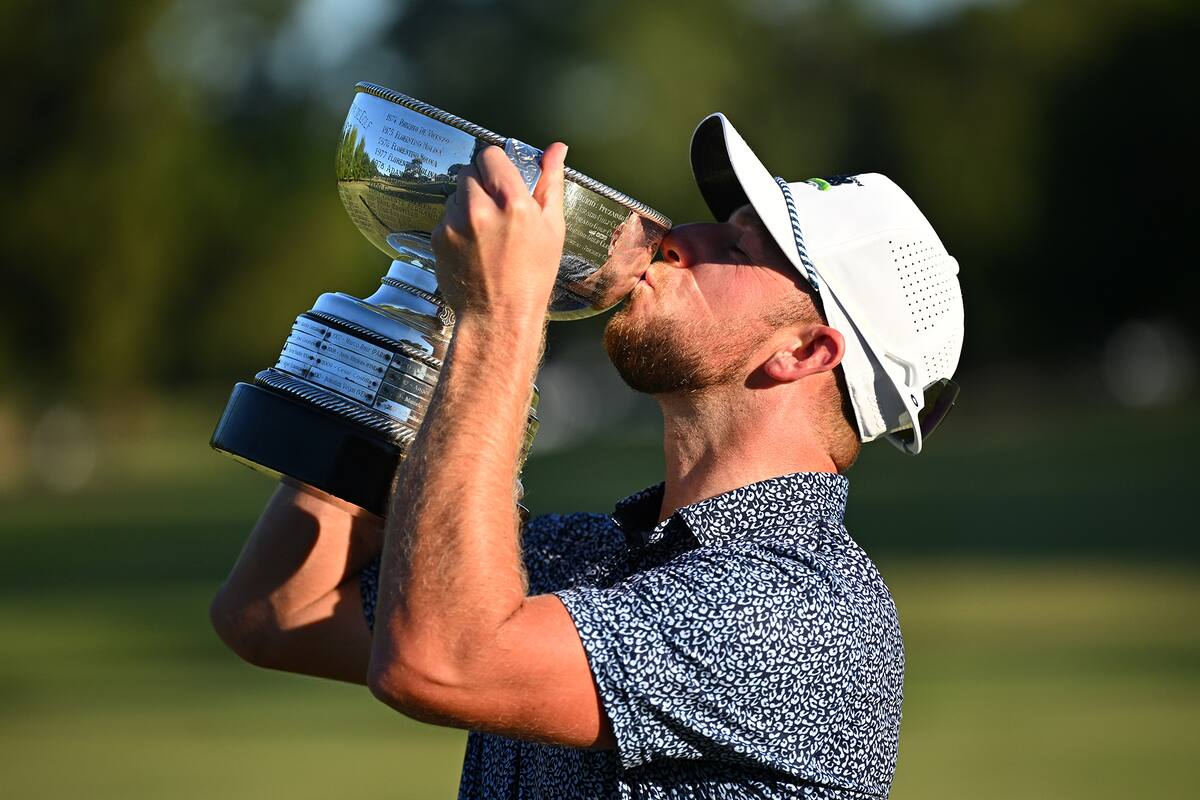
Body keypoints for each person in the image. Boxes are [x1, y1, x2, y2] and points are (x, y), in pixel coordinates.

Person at [210, 113, 964, 799]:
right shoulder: (586, 559)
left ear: (804, 350)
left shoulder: (806, 611)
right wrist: (430, 312)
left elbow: (438, 662)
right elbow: (277, 611)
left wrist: (499, 316)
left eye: (736, 246)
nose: (679, 236)